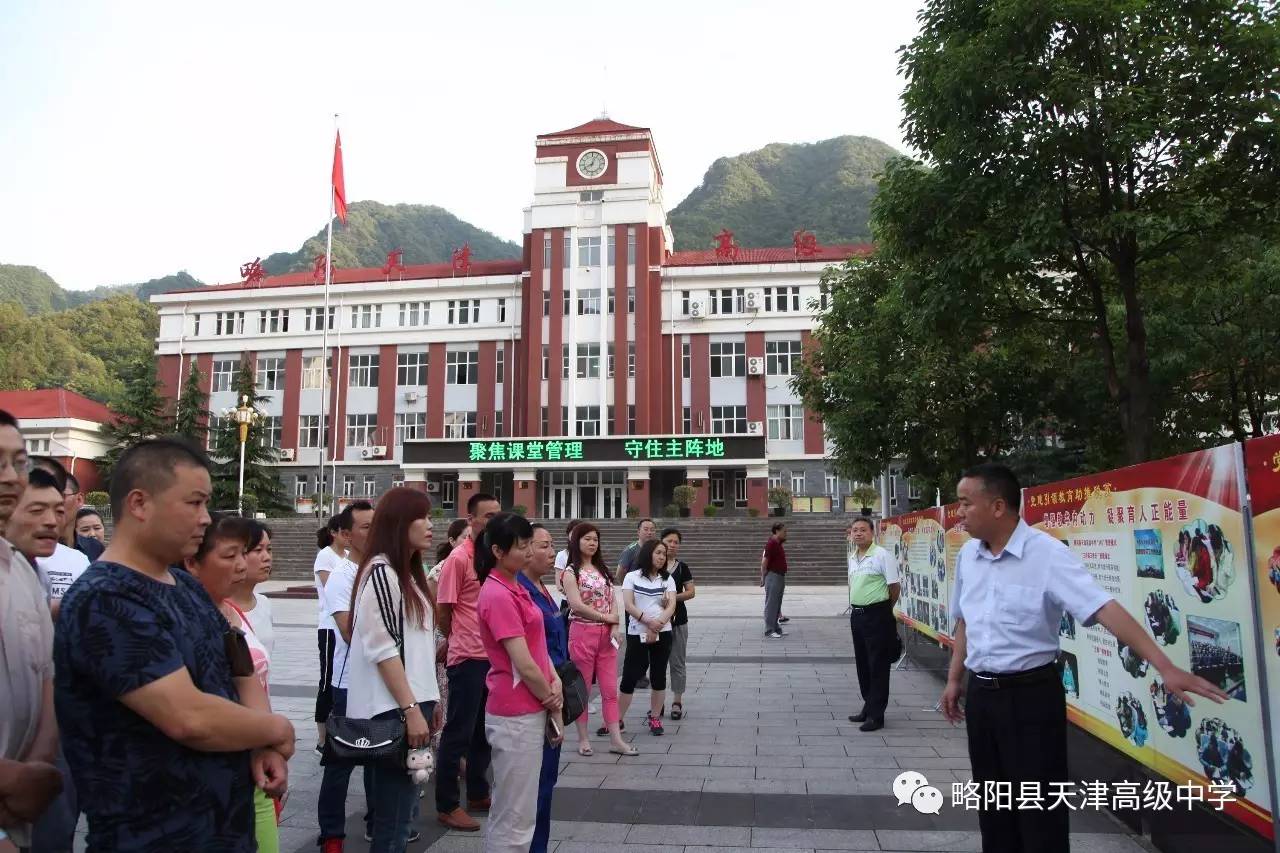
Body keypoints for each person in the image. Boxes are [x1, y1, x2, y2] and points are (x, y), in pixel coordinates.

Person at [940, 463, 1226, 853]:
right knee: (993, 805)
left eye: (964, 504)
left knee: (1040, 811)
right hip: (983, 697)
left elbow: (1104, 609)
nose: (959, 513)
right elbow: (964, 622)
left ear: (998, 507)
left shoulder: (1047, 555)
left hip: (1030, 699)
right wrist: (955, 679)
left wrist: (1164, 666)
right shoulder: (969, 557)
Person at [54, 438, 294, 852]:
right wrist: (277, 728)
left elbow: (237, 661)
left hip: (223, 829)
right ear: (139, 503)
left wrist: (258, 741)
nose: (205, 519)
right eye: (194, 503)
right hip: (151, 837)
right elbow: (188, 717)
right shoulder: (107, 597)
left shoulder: (185, 584)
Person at [346, 487, 442, 853]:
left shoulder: (408, 574)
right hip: (395, 710)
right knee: (393, 821)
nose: (431, 525)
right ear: (400, 524)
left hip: (413, 704)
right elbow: (383, 649)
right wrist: (412, 710)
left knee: (402, 816)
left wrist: (429, 702)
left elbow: (416, 649)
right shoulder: (382, 574)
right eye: (423, 517)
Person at [184, 514, 280, 853]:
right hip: (214, 770)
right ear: (192, 562)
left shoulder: (230, 613)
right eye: (230, 555)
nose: (242, 565)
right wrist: (273, 730)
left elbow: (249, 678)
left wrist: (269, 738)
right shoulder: (185, 617)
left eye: (245, 553)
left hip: (252, 760)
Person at [475, 513, 562, 853]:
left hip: (531, 706)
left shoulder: (516, 586)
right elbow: (522, 662)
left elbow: (538, 650)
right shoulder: (497, 593)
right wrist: (552, 699)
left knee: (521, 808)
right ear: (497, 550)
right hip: (515, 712)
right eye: (522, 546)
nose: (528, 552)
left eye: (530, 545)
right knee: (515, 813)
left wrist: (552, 681)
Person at [0, 410, 62, 851]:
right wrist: (11, 780)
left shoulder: (20, 571)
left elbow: (46, 679)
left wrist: (34, 772)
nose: (9, 477)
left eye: (18, 463)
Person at [316, 500, 380, 853]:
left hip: (381, 685)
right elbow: (349, 633)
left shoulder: (383, 572)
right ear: (346, 535)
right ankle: (332, 835)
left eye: (376, 525)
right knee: (339, 765)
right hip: (348, 686)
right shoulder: (340, 577)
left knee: (379, 758)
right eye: (366, 527)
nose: (374, 532)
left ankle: (375, 823)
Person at [435, 492, 501, 831]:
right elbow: (443, 609)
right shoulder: (458, 559)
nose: (493, 520)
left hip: (493, 656)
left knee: (483, 732)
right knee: (458, 732)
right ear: (471, 519)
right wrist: (455, 637)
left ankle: (478, 792)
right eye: (487, 516)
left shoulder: (494, 555)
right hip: (467, 657)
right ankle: (447, 804)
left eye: (496, 514)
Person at [517, 524, 568, 853]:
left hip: (553, 693)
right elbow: (527, 652)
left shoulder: (542, 587)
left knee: (546, 783)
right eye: (544, 546)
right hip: (535, 698)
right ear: (524, 551)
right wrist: (550, 694)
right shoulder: (519, 590)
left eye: (553, 546)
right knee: (533, 788)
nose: (552, 553)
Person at [561, 522, 631, 756]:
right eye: (587, 539)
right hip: (582, 634)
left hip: (606, 638)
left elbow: (612, 598)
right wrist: (605, 617)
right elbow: (576, 606)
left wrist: (614, 624)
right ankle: (583, 739)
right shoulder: (571, 572)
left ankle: (616, 739)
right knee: (583, 690)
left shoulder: (602, 570)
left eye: (595, 539)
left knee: (610, 690)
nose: (592, 543)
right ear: (576, 541)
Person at [845, 516, 900, 732]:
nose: (858, 533)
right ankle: (868, 706)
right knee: (863, 663)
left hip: (877, 614)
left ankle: (877, 715)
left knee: (878, 664)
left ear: (872, 533)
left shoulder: (881, 556)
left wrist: (884, 610)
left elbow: (894, 587)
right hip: (857, 615)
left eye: (862, 530)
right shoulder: (852, 557)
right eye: (854, 530)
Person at [618, 539, 676, 737]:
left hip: (663, 632)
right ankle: (617, 720)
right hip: (637, 633)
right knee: (629, 677)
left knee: (659, 676)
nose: (662, 557)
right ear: (648, 554)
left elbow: (671, 606)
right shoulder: (632, 577)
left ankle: (655, 718)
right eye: (658, 553)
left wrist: (657, 624)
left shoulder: (667, 579)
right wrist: (648, 622)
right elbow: (628, 604)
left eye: (664, 554)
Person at [425, 518, 470, 753]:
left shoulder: (478, 564)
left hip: (467, 642)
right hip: (446, 638)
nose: (469, 541)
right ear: (452, 541)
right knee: (444, 695)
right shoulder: (441, 569)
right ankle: (443, 748)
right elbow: (434, 610)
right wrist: (447, 637)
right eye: (465, 537)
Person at [313, 513, 348, 752]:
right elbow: (333, 590)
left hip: (346, 626)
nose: (348, 536)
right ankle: (322, 738)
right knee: (327, 680)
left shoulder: (348, 556)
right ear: (333, 532)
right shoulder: (325, 556)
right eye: (344, 532)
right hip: (329, 627)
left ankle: (342, 732)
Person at [660, 528, 695, 720]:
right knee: (657, 663)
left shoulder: (682, 567)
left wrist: (672, 598)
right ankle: (658, 703)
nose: (672, 545)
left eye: (675, 542)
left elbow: (691, 591)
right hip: (656, 622)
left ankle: (677, 701)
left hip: (678, 620)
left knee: (678, 662)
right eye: (668, 541)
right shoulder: (653, 566)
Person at [228, 521, 275, 656]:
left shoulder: (264, 603)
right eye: (258, 550)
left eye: (269, 549)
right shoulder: (219, 609)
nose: (267, 557)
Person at [760, 523, 788, 638]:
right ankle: (769, 630)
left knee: (777, 603)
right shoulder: (771, 544)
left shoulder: (778, 544)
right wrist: (763, 577)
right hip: (773, 576)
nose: (786, 534)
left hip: (779, 576)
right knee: (771, 603)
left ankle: (776, 628)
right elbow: (764, 562)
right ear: (777, 531)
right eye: (784, 531)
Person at [552, 519, 579, 592]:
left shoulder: (589, 555)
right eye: (573, 532)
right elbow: (559, 585)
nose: (576, 535)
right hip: (568, 600)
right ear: (568, 534)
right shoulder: (562, 555)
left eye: (579, 533)